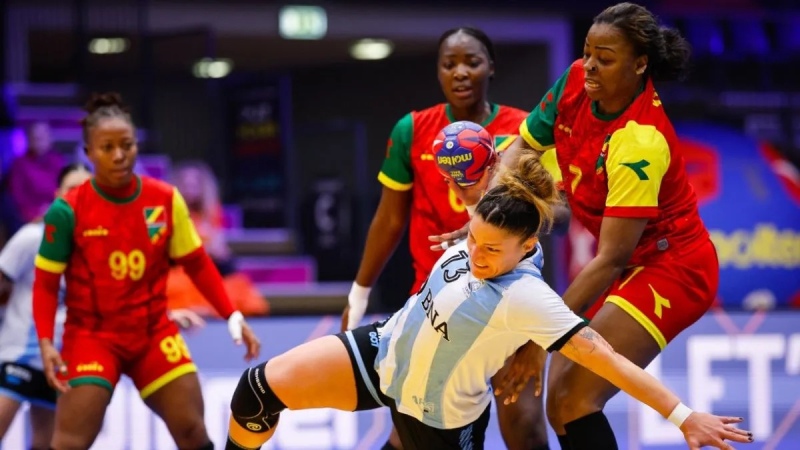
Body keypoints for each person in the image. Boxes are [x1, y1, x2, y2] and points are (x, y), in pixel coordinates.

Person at [224, 153, 752, 450]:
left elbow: (610, 362)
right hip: (383, 352)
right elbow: (511, 165)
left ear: (527, 248)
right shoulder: (495, 215)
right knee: (254, 392)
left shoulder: (528, 298)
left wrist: (683, 417)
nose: (475, 253)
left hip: (439, 418)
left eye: (491, 250)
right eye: (471, 240)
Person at [436, 3, 722, 449]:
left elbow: (610, 260)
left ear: (640, 64)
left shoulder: (639, 141)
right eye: (587, 51)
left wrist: (537, 339)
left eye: (605, 58)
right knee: (562, 401)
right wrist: (482, 218)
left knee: (574, 398)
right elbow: (524, 147)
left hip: (673, 268)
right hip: (629, 263)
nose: (589, 65)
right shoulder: (575, 80)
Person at [341, 26, 547, 450]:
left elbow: (547, 221)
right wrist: (359, 293)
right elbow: (389, 221)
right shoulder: (412, 130)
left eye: (471, 61)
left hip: (509, 300)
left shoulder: (523, 131)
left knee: (524, 426)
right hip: (437, 306)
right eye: (449, 63)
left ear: (491, 66)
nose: (460, 72)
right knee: (412, 435)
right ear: (437, 72)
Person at [32, 92, 261, 450]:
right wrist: (46, 342)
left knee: (192, 432)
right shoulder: (67, 211)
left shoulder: (165, 200)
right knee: (70, 443)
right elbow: (45, 285)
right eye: (107, 147)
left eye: (127, 144)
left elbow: (198, 264)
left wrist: (231, 314)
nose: (119, 155)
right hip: (92, 336)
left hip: (153, 331)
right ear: (89, 153)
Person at [167, 160, 269, 317]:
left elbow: (226, 266)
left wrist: (218, 253)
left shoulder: (213, 216)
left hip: (208, 273)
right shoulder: (165, 216)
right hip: (178, 274)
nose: (190, 189)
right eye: (185, 184)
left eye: (195, 184)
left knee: (240, 287)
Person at [7, 122, 65, 227]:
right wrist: (35, 213)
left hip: (55, 212)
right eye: (36, 137)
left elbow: (64, 190)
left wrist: (52, 209)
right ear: (29, 140)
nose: (39, 141)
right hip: (28, 218)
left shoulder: (58, 161)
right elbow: (18, 196)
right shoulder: (20, 164)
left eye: (43, 137)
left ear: (50, 139)